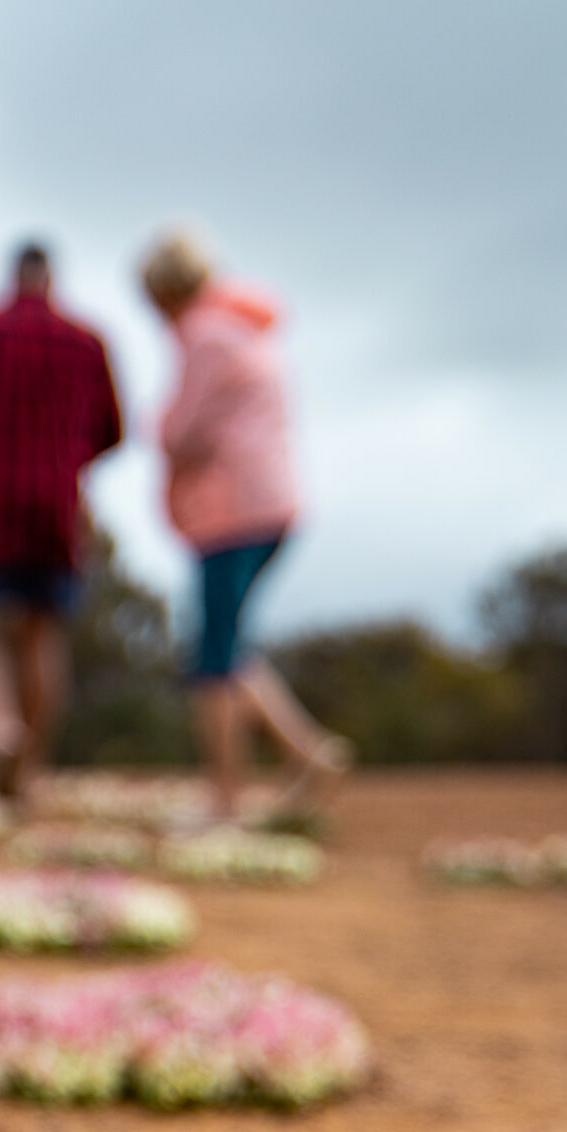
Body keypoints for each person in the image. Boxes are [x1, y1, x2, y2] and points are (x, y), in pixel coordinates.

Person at [140, 229, 351, 820]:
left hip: (233, 511)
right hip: (268, 503)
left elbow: (184, 432)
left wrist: (156, 430)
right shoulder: (238, 328)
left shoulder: (205, 338)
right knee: (228, 644)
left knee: (213, 657)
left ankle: (223, 802)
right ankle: (306, 753)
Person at [0, 242, 122, 801]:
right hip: (55, 506)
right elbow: (111, 429)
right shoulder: (87, 341)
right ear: (52, 279)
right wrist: (66, 461)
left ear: (12, 277)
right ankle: (28, 769)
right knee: (42, 630)